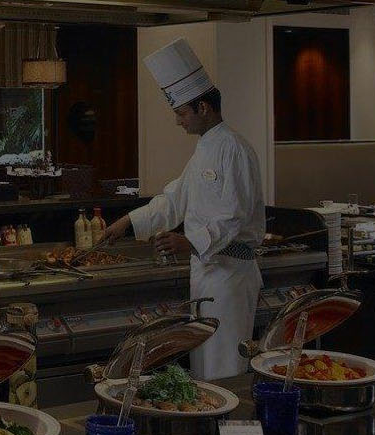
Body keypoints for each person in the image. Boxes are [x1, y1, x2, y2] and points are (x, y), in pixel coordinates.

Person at [102, 38, 264, 380]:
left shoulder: (233, 148)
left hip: (230, 277)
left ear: (203, 108)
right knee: (203, 367)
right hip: (206, 274)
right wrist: (127, 221)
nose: (178, 121)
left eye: (181, 113)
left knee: (225, 368)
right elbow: (175, 199)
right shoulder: (204, 149)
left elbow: (233, 215)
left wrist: (190, 242)